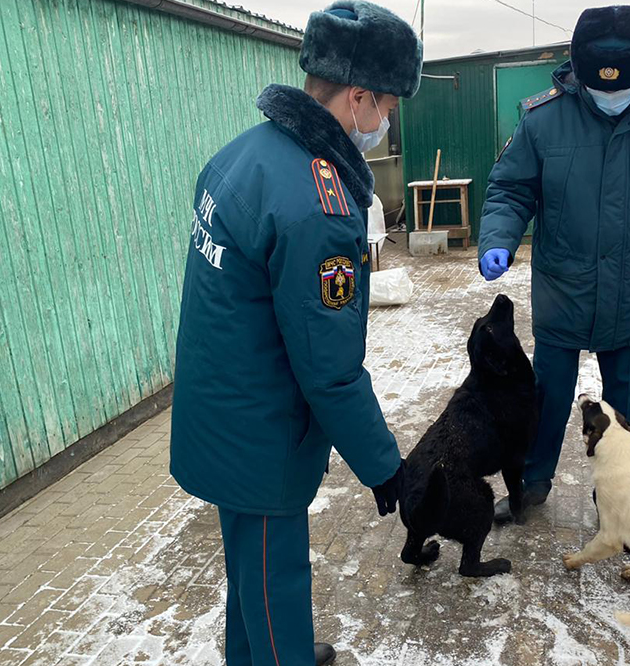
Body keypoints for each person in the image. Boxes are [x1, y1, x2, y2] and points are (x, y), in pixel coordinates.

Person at [169, 3, 422, 664]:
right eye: (387, 105)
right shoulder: (318, 206)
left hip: (222, 413)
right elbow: (328, 366)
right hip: (261, 436)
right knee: (275, 582)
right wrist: (384, 467)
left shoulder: (242, 158)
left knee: (249, 575)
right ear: (359, 98)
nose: (386, 120)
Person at [477, 5, 630, 524]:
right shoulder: (544, 118)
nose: (610, 95)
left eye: (621, 87)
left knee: (624, 401)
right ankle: (532, 481)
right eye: (599, 87)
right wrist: (498, 235)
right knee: (545, 394)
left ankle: (620, 493)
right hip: (564, 285)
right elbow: (510, 187)